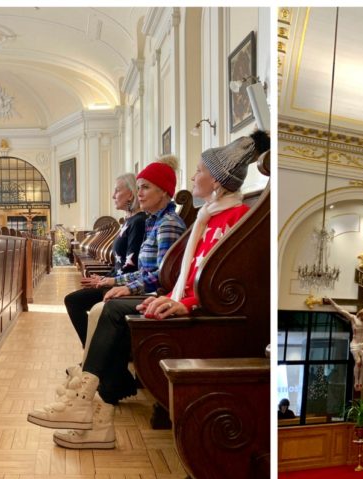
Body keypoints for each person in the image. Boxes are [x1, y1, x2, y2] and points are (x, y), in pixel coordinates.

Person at [28, 130, 269, 451]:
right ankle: (92, 411)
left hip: (209, 317)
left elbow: (225, 280)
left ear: (216, 181)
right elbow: (194, 274)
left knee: (109, 310)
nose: (193, 176)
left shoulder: (236, 219)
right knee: (103, 308)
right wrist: (167, 295)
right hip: (183, 301)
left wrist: (183, 302)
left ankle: (87, 403)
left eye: (199, 170)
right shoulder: (207, 218)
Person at [63, 172, 147, 347]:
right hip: (115, 281)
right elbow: (119, 262)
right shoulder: (129, 221)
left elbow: (131, 265)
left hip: (123, 287)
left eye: (117, 191)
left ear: (130, 194)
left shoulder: (138, 221)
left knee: (73, 301)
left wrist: (107, 281)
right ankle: (94, 353)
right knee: (74, 299)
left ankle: (94, 352)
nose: (113, 195)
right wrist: (102, 278)